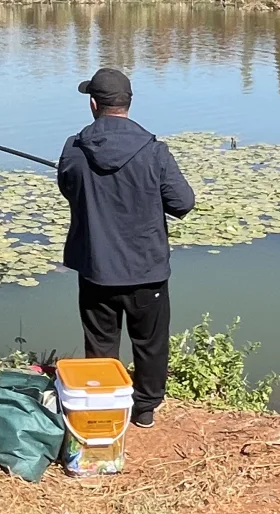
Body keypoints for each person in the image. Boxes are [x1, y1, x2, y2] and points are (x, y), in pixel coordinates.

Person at [56, 66, 195, 428]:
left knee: (100, 343)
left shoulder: (75, 148)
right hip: (146, 271)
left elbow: (69, 189)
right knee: (149, 342)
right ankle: (144, 409)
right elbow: (182, 203)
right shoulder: (155, 151)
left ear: (93, 104)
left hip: (96, 269)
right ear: (128, 104)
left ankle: (104, 410)